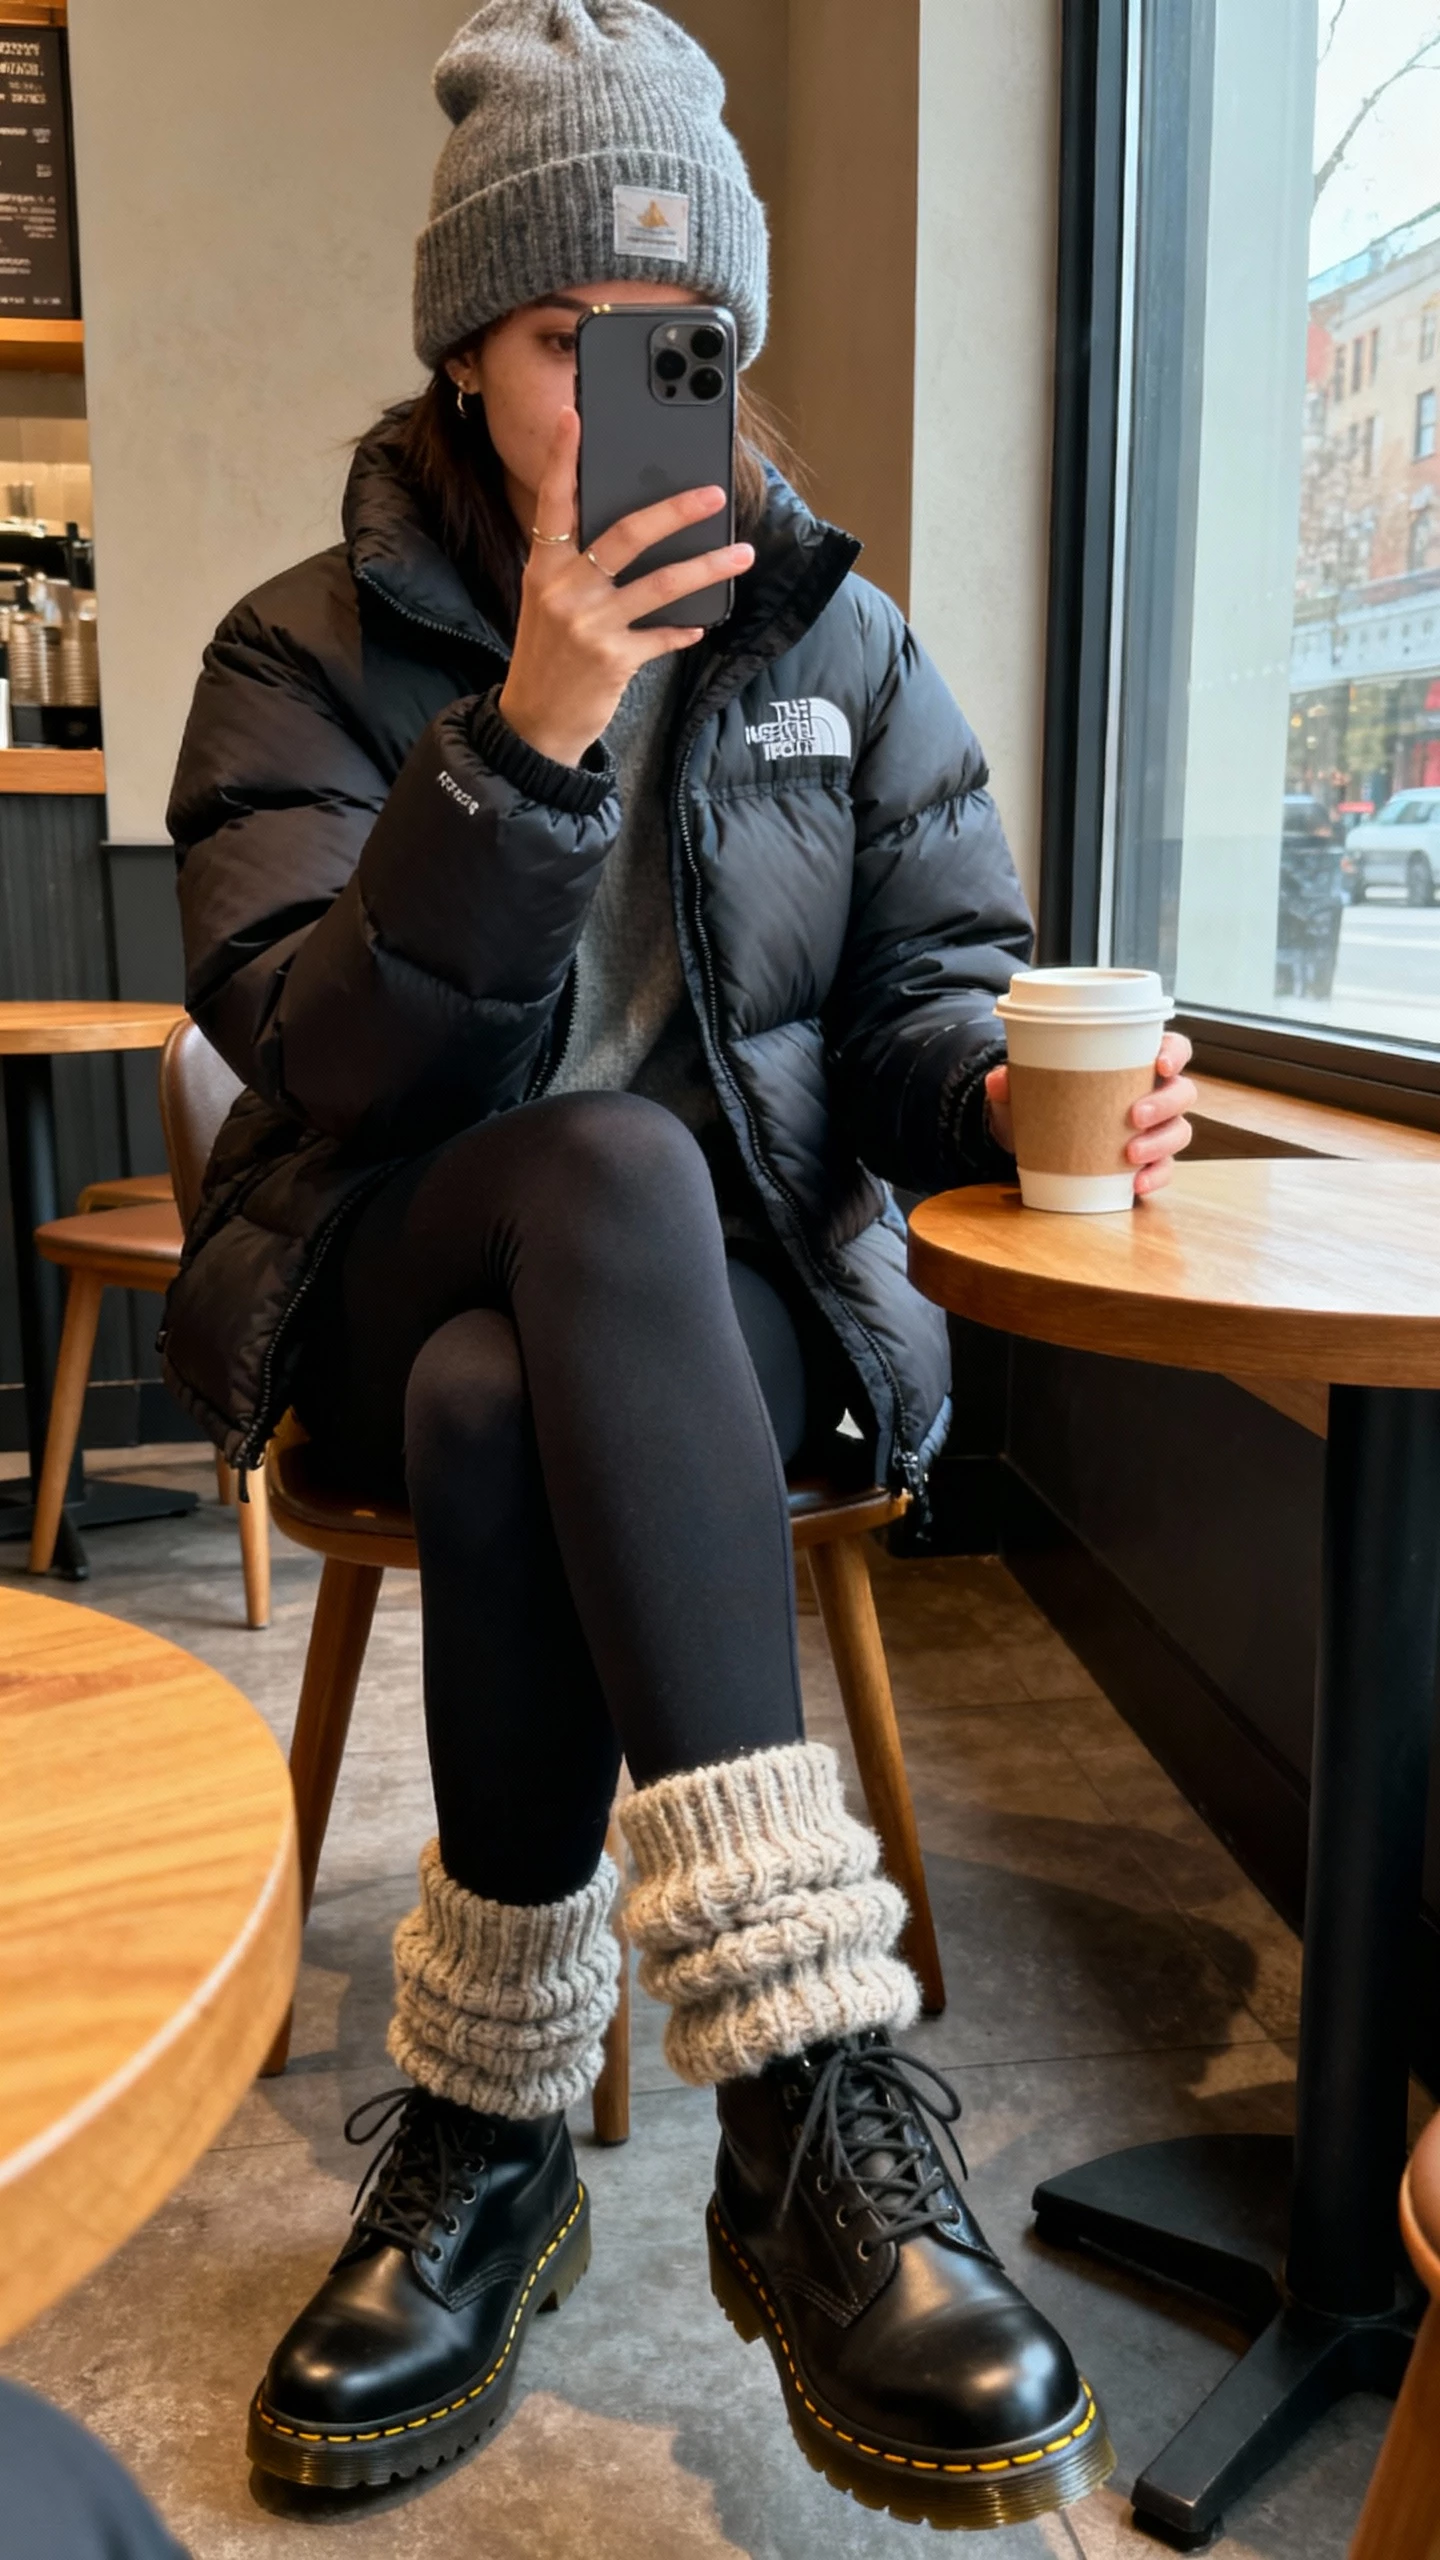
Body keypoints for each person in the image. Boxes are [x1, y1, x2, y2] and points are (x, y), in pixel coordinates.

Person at [163, 0, 1194, 2527]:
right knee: (579, 1187)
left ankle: (491, 2133)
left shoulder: (839, 638)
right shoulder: (302, 652)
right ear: (464, 352)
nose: (636, 392)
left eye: (684, 344)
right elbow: (312, 1043)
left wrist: (1033, 1092)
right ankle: (809, 2088)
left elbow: (929, 996)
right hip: (395, 1245)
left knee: (544, 1374)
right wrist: (521, 738)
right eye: (566, 343)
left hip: (695, 1332)